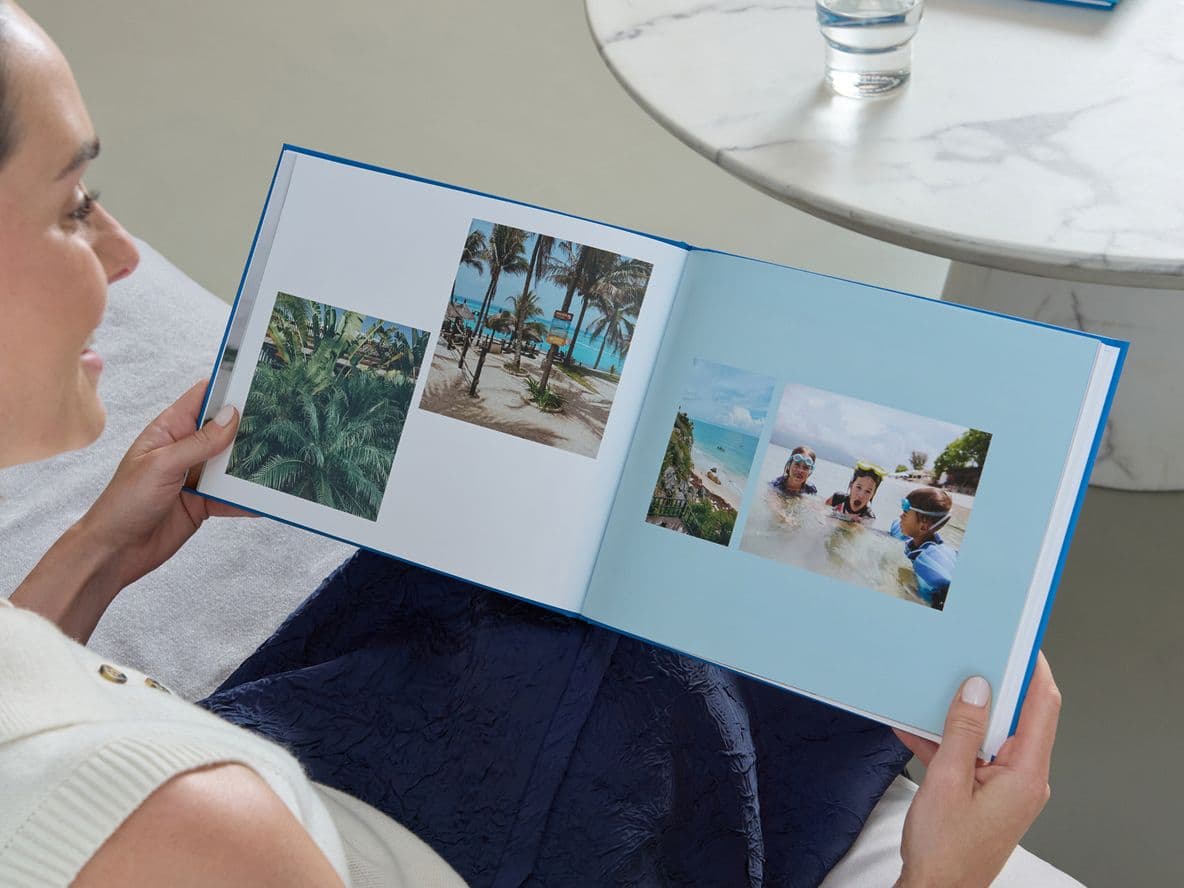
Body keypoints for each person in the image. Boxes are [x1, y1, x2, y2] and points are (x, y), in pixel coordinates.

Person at [0, 4, 1063, 885]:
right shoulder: (195, 831)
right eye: (74, 205)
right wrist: (941, 879)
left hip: (336, 763)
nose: (122, 252)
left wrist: (97, 557)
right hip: (457, 837)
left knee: (522, 584)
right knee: (710, 668)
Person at [890, 487, 958, 610]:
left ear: (923, 527)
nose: (900, 516)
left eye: (905, 514)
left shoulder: (930, 561)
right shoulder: (911, 541)